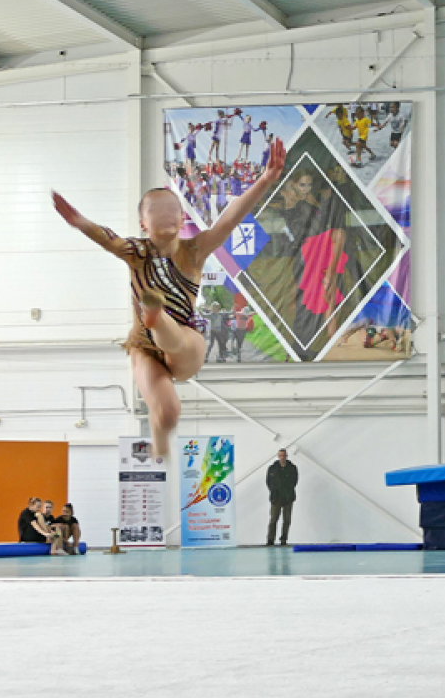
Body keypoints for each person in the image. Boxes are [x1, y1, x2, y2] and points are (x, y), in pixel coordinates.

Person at [52, 138, 287, 459]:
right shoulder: (136, 252)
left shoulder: (195, 250)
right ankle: (159, 446)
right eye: (155, 211)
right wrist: (80, 222)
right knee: (168, 412)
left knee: (176, 341)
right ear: (142, 223)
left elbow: (229, 219)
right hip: (144, 348)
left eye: (172, 210)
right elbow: (108, 239)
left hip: (185, 344)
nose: (165, 215)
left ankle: (156, 316)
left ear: (181, 219)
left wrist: (264, 180)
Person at [266, 448, 299, 546]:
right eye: (280, 455)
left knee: (287, 520)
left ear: (286, 456)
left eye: (284, 455)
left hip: (288, 497)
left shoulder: (292, 468)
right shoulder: (272, 468)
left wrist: (288, 492)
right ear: (278, 456)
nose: (282, 457)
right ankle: (270, 540)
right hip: (276, 498)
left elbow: (294, 481)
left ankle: (283, 539)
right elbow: (269, 482)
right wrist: (274, 492)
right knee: (273, 519)